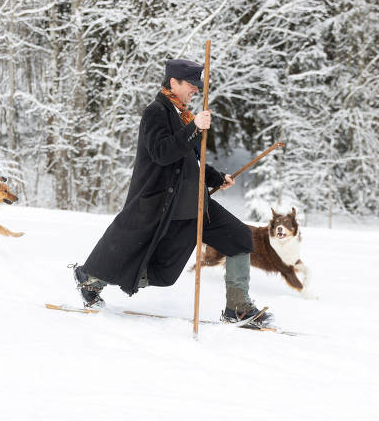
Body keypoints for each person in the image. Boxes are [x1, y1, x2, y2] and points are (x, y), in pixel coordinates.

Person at [72, 58, 274, 326]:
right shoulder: (155, 112)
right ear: (173, 82)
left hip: (195, 200)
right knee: (146, 260)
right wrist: (194, 129)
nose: (196, 90)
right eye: (191, 85)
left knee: (238, 237)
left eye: (196, 85)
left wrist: (216, 176)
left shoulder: (183, 114)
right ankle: (91, 278)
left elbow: (191, 159)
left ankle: (237, 309)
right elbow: (162, 153)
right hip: (166, 202)